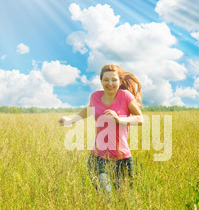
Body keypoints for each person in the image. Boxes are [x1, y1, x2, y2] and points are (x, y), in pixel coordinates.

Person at [59, 64, 143, 195]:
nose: (110, 83)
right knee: (106, 198)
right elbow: (87, 110)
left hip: (122, 159)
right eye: (106, 79)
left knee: (125, 199)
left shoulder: (125, 96)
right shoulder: (95, 97)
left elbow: (139, 119)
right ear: (101, 81)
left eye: (114, 80)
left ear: (120, 81)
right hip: (98, 158)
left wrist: (119, 119)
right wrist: (70, 121)